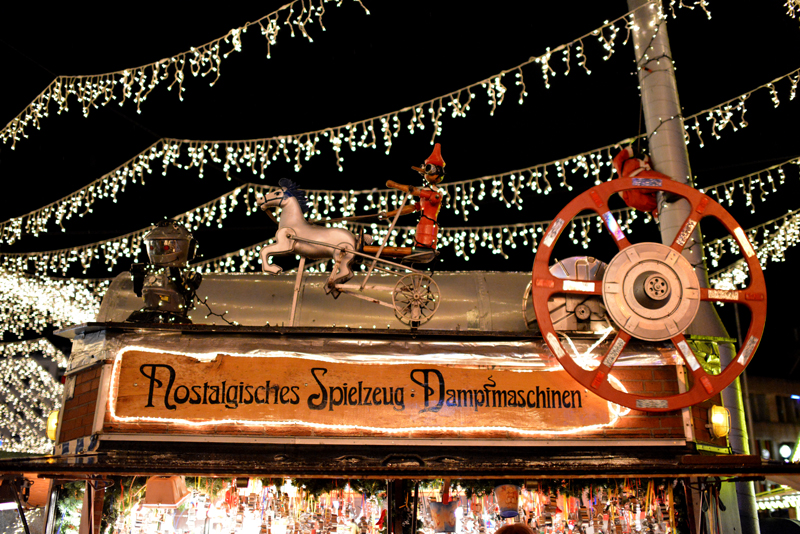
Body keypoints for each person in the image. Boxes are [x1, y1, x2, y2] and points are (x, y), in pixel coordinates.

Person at [381, 143, 446, 262]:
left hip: (429, 232)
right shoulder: (428, 193)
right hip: (422, 228)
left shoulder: (436, 195)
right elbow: (411, 207)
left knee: (421, 250)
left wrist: (395, 185)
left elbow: (415, 191)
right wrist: (389, 214)